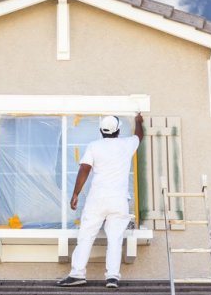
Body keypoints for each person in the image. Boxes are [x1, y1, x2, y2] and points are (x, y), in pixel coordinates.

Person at [57, 113, 144, 289]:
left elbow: (84, 169)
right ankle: (112, 277)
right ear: (118, 131)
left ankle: (77, 274)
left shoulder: (94, 146)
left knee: (86, 236)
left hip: (97, 198)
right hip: (119, 199)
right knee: (115, 238)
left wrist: (75, 194)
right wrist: (138, 122)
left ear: (101, 131)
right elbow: (139, 136)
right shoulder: (126, 144)